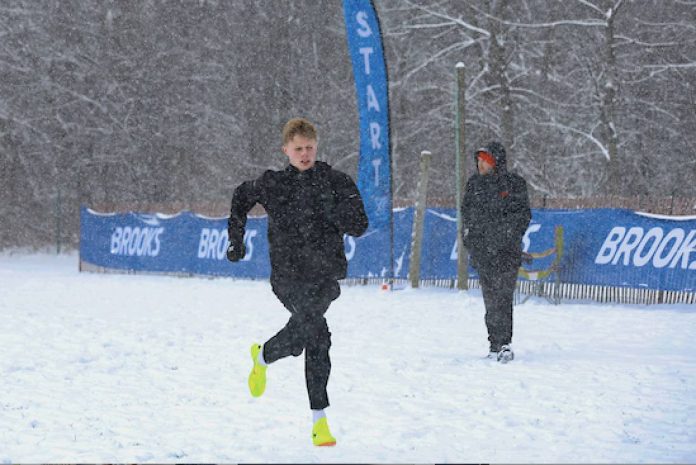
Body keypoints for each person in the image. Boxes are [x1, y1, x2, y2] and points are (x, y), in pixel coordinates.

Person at [226, 117, 368, 446]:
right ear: (286, 150)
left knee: (305, 333)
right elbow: (240, 197)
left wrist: (333, 210)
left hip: (325, 277)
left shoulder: (336, 181)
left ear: (317, 147)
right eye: (298, 149)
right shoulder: (273, 183)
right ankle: (320, 421)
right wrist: (236, 239)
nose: (305, 154)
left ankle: (263, 355)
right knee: (317, 333)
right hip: (288, 276)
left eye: (310, 148)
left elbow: (360, 224)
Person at [461, 141, 531, 363]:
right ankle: (494, 343)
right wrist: (470, 239)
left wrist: (505, 236)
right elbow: (467, 214)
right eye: (479, 160)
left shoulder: (514, 184)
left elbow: (522, 215)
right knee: (490, 299)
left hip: (506, 252)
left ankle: (504, 342)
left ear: (496, 162)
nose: (480, 164)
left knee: (503, 297)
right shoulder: (474, 185)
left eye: (486, 160)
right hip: (483, 252)